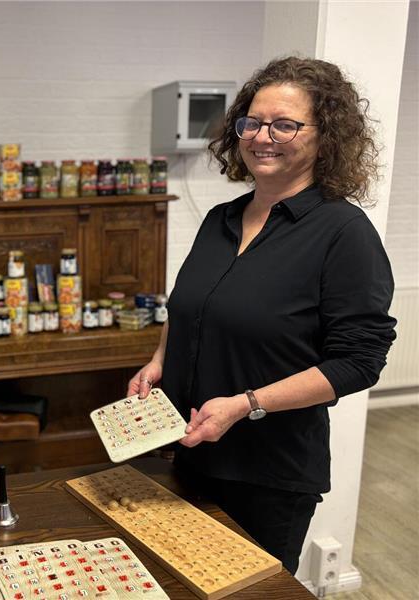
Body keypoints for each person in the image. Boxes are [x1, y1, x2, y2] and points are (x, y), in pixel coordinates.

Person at [128, 57, 396, 574]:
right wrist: (159, 360)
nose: (261, 136)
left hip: (268, 474)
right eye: (251, 122)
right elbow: (192, 306)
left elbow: (361, 361)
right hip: (191, 452)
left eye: (285, 124)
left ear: (326, 136)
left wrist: (245, 404)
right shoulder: (221, 218)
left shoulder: (343, 232)